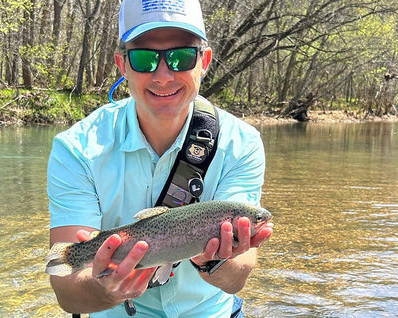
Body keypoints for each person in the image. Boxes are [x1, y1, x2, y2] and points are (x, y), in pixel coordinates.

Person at [47, 0, 273, 317]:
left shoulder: (242, 143)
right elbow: (68, 294)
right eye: (144, 59)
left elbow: (237, 279)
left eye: (181, 57)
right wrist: (104, 288)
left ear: (204, 60)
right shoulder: (76, 148)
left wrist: (214, 260)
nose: (164, 75)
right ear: (122, 64)